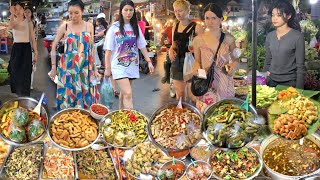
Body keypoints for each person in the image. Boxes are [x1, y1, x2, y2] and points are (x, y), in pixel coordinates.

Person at [49, 0, 101, 110]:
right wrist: (53, 67)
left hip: (85, 68)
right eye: (70, 13)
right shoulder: (65, 27)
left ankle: (85, 122)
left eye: (76, 12)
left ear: (82, 11)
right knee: (68, 96)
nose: (73, 16)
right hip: (68, 69)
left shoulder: (89, 26)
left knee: (85, 95)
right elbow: (53, 47)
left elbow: (92, 48)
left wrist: (95, 69)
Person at [103, 0, 154, 109]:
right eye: (126, 10)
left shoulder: (135, 27)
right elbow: (108, 51)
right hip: (118, 65)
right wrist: (107, 68)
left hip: (132, 65)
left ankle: (121, 116)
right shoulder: (114, 28)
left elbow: (142, 46)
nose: (128, 13)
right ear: (121, 11)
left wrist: (149, 61)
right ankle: (130, 120)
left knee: (124, 93)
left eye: (131, 10)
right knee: (128, 93)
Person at [190, 3, 239, 112]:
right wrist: (196, 69)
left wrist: (233, 65)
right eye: (207, 18)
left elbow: (236, 58)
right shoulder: (198, 40)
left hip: (224, 82)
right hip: (206, 83)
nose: (210, 22)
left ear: (220, 19)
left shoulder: (229, 39)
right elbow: (197, 61)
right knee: (207, 114)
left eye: (214, 18)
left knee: (224, 114)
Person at [263, 0, 305, 89]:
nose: (274, 18)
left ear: (289, 16)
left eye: (279, 15)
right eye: (273, 15)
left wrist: (299, 90)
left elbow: (300, 66)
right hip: (270, 82)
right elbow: (268, 59)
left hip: (289, 84)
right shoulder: (270, 36)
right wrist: (263, 78)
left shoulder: (297, 36)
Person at [169, 0, 203, 101]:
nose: (178, 13)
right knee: (180, 93)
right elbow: (173, 44)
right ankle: (182, 115)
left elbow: (204, 48)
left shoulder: (197, 27)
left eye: (180, 10)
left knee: (194, 95)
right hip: (177, 61)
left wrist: (196, 50)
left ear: (188, 11)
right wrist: (171, 50)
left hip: (193, 62)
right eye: (175, 11)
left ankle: (196, 114)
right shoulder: (175, 26)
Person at [8, 3, 38, 96]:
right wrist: (12, 14)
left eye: (20, 8)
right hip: (16, 48)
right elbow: (10, 27)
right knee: (14, 70)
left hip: (26, 48)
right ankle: (17, 92)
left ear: (23, 9)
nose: (18, 11)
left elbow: (33, 38)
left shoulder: (29, 22)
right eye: (15, 9)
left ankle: (25, 93)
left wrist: (36, 52)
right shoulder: (13, 20)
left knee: (26, 71)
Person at [24, 7, 37, 90]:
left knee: (31, 67)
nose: (26, 14)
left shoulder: (33, 23)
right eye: (25, 12)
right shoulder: (21, 22)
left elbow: (34, 38)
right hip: (23, 47)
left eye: (28, 12)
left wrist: (35, 51)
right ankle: (25, 83)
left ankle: (30, 84)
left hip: (30, 47)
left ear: (31, 13)